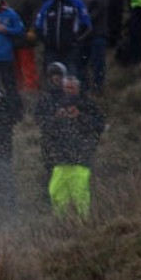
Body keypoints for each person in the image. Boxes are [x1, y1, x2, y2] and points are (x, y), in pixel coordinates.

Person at [40, 74, 107, 217]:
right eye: (66, 87)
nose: (69, 90)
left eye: (72, 87)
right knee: (56, 193)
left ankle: (83, 225)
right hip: (60, 159)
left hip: (80, 159)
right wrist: (56, 118)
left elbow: (100, 126)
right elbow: (45, 128)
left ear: (78, 88)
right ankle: (61, 225)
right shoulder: (56, 104)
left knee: (80, 196)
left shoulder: (89, 105)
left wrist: (80, 116)